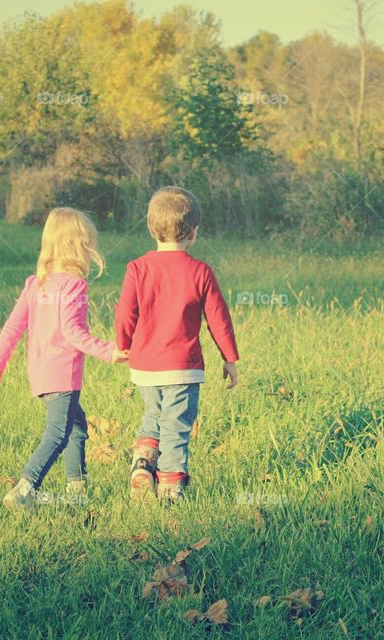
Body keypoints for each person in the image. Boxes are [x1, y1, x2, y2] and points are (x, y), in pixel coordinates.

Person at [0, 207, 128, 513]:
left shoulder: (36, 283)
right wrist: (109, 351)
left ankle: (77, 490)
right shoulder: (73, 285)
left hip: (40, 373)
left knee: (77, 428)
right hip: (63, 374)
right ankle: (25, 488)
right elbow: (72, 332)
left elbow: (12, 327)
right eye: (88, 244)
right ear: (77, 247)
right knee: (57, 434)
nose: (91, 252)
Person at [115, 186, 239, 502]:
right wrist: (229, 358)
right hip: (183, 368)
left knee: (153, 414)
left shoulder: (137, 268)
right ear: (194, 232)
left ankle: (142, 463)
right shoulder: (200, 271)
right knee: (176, 426)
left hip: (145, 366)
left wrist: (122, 344)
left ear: (151, 228)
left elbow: (126, 312)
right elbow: (218, 319)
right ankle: (170, 488)